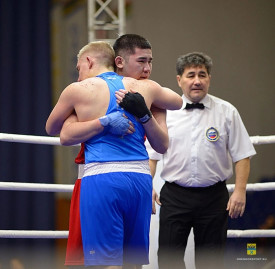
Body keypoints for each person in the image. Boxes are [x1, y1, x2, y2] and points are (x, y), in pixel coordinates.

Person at [46, 41, 182, 269]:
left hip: (103, 178)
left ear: (88, 61)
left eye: (79, 68)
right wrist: (146, 109)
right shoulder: (145, 87)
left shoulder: (78, 90)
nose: (79, 75)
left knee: (106, 263)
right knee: (133, 263)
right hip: (140, 180)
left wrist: (100, 121)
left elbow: (52, 129)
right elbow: (178, 101)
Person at [139, 52, 257, 269]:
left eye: (202, 75)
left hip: (214, 197)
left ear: (209, 79)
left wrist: (240, 191)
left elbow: (242, 155)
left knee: (211, 262)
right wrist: (148, 184)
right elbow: (151, 157)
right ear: (179, 80)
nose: (197, 81)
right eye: (191, 75)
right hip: (174, 196)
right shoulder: (165, 113)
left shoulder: (227, 111)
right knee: (168, 260)